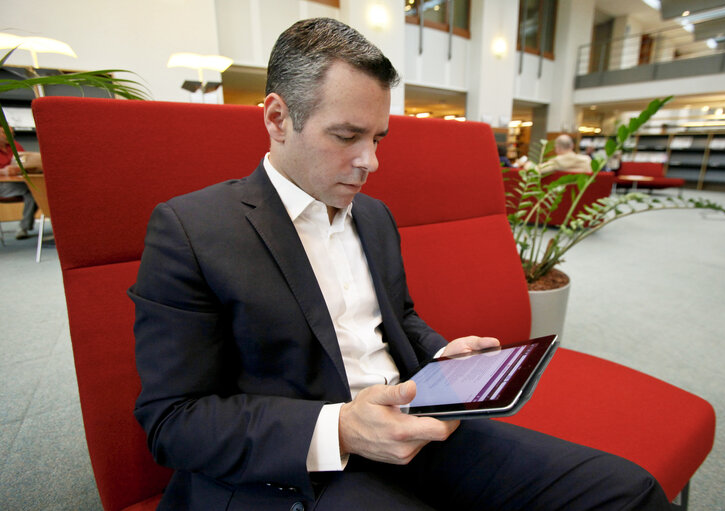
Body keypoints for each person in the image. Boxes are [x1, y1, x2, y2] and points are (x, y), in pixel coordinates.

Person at [130, 18, 672, 511]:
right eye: (346, 136)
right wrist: (340, 428)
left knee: (627, 492)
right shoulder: (191, 230)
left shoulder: (373, 215)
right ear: (277, 118)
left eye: (377, 138)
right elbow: (172, 421)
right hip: (297, 468)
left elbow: (400, 320)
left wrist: (443, 357)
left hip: (413, 424)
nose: (371, 161)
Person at [0, 128, 40, 239]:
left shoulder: (15, 146)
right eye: (5, 133)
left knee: (36, 190)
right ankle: (24, 227)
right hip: (2, 185)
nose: (10, 136)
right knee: (30, 191)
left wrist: (19, 169)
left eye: (12, 134)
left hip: (18, 183)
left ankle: (24, 227)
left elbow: (25, 161)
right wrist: (3, 172)